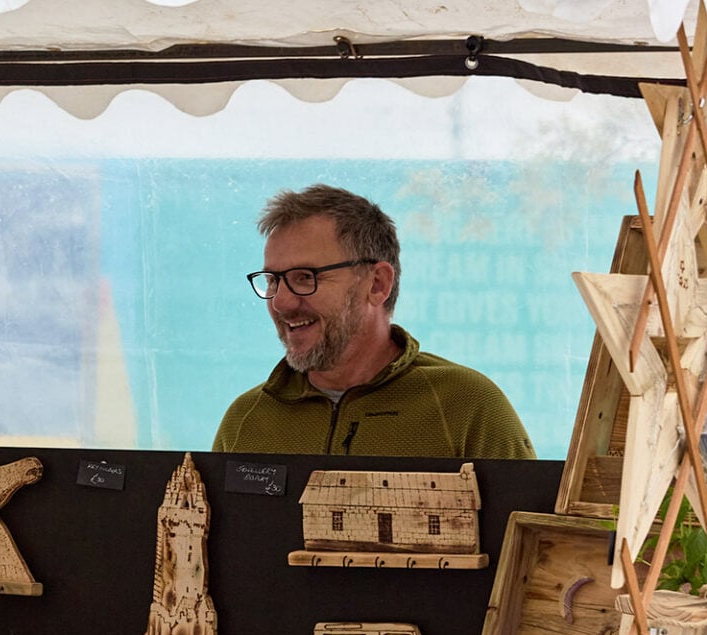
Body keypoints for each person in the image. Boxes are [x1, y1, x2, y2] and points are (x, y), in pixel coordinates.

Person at [214, 184, 535, 458]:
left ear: (377, 284)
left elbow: (528, 531)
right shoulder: (246, 420)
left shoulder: (468, 407)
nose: (281, 302)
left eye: (305, 277)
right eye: (272, 280)